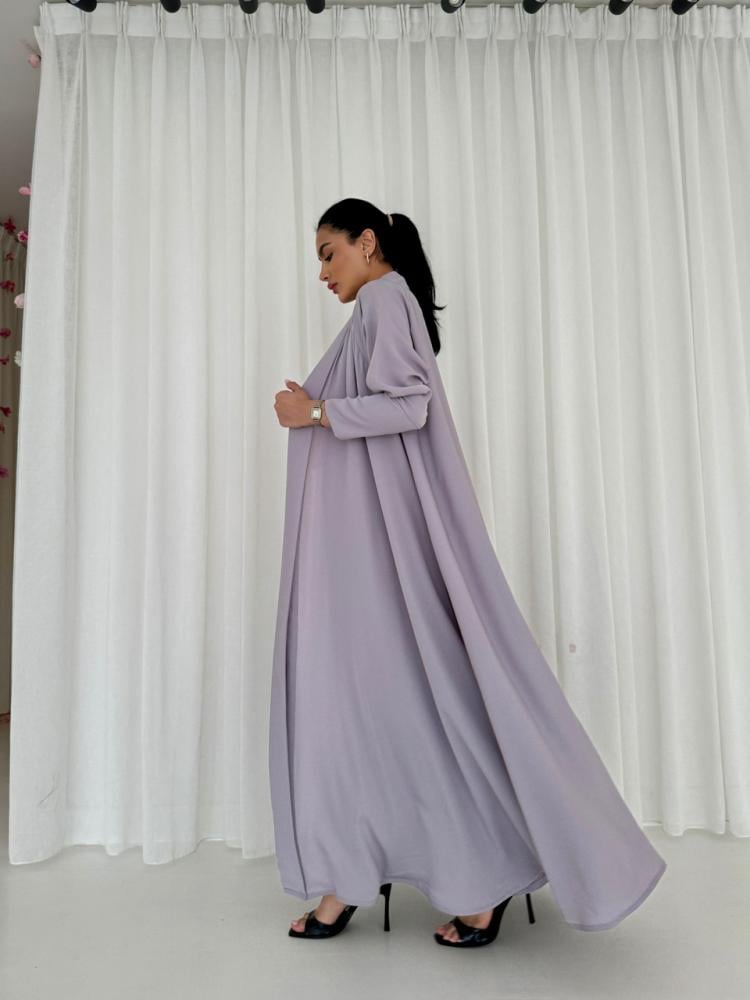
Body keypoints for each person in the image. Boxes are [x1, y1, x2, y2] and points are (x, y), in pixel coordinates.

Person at [269, 198, 667, 948]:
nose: (322, 272)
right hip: (372, 546)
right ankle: (368, 873)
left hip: (383, 551)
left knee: (387, 703)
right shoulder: (382, 306)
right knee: (386, 704)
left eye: (329, 253)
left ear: (367, 242)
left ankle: (439, 879)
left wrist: (313, 412)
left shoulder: (384, 299)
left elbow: (408, 406)